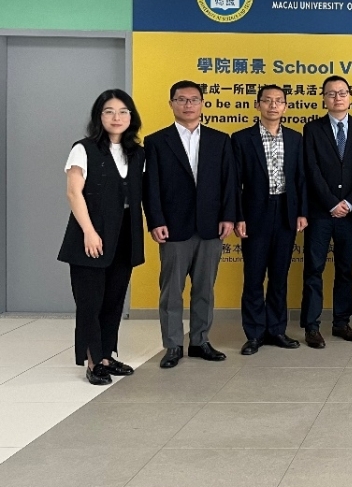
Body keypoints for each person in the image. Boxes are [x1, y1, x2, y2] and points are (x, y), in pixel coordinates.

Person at [144, 80, 239, 369]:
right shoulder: (156, 141)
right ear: (171, 103)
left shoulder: (219, 140)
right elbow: (151, 186)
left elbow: (230, 182)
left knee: (204, 289)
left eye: (194, 99)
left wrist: (228, 216)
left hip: (211, 226)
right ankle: (173, 345)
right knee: (171, 291)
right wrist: (156, 220)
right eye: (181, 99)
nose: (188, 105)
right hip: (173, 227)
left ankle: (200, 341)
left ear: (202, 103)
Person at [58, 90, 145, 385]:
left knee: (113, 300)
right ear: (99, 116)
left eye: (123, 111)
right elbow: (74, 193)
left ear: (131, 117)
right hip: (90, 236)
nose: (116, 117)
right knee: (90, 302)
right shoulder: (83, 149)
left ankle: (107, 355)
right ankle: (93, 362)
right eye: (109, 111)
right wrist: (89, 231)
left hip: (125, 237)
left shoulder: (137, 153)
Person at [232, 85, 308, 355]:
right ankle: (254, 333)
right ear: (258, 105)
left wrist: (302, 212)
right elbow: (234, 183)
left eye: (278, 101)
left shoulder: (295, 138)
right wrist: (238, 216)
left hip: (286, 211)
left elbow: (301, 178)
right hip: (255, 214)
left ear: (285, 106)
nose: (273, 106)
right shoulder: (242, 139)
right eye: (267, 101)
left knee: (279, 276)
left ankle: (276, 329)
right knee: (253, 276)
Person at [301, 76, 352, 347]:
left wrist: (350, 202)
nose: (337, 98)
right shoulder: (312, 129)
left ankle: (341, 322)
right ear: (324, 98)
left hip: (349, 213)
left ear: (350, 96)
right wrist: (331, 202)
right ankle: (311, 326)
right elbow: (311, 169)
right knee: (313, 269)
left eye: (342, 93)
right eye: (331, 93)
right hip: (320, 212)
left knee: (345, 269)